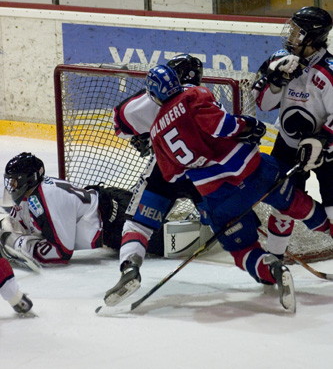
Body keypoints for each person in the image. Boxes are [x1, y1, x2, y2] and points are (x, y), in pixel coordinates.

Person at [145, 64, 332, 312]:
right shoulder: (194, 94)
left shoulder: (156, 131)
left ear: (153, 95)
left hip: (219, 195)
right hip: (254, 171)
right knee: (293, 201)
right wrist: (248, 126)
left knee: (241, 248)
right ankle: (329, 228)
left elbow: (173, 175)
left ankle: (273, 269)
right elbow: (224, 126)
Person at [103, 54, 207, 306]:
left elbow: (119, 121)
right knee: (229, 219)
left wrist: (143, 137)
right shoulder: (207, 99)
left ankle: (130, 268)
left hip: (164, 169)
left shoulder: (150, 102)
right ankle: (265, 256)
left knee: (138, 224)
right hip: (204, 174)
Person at [251, 6, 333, 258]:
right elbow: (262, 104)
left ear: (311, 38)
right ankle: (274, 261)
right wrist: (276, 80)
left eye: (297, 32)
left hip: (325, 151)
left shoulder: (329, 70)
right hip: (286, 145)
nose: (291, 35)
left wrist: (323, 140)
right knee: (282, 204)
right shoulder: (279, 61)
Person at [0, 152, 135, 266]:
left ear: (28, 180)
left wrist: (19, 244)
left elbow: (61, 253)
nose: (11, 186)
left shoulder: (48, 196)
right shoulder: (30, 194)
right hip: (112, 210)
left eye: (14, 181)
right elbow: (17, 224)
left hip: (121, 220)